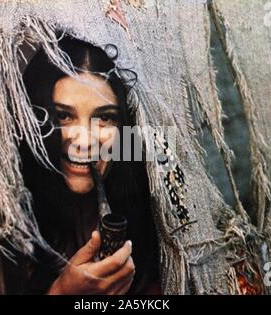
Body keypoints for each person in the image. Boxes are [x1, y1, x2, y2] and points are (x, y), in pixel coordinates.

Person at [11, 35, 161, 295]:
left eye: (105, 118)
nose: (84, 141)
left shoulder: (153, 227)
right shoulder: (10, 233)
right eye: (63, 116)